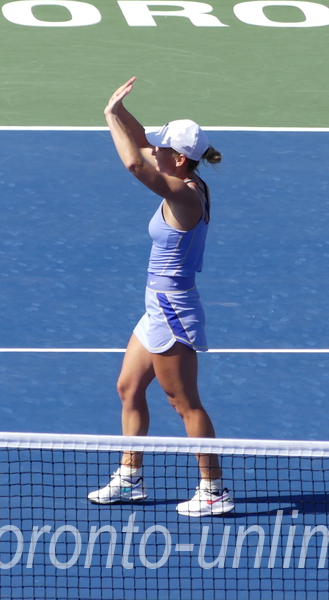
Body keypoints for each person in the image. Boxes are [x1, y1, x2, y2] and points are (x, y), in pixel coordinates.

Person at [87, 77, 235, 517]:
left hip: (173, 310)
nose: (156, 150)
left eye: (163, 146)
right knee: (128, 387)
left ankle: (213, 490)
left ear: (179, 157)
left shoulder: (183, 195)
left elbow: (134, 164)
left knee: (183, 401)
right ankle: (130, 478)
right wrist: (117, 111)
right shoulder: (180, 171)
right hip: (156, 305)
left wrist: (110, 118)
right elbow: (139, 144)